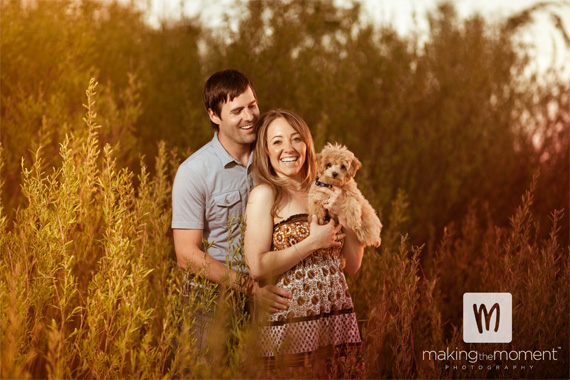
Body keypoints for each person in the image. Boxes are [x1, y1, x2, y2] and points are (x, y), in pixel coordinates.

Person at [171, 70, 292, 350]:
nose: (249, 116)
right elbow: (185, 254)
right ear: (214, 115)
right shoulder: (194, 172)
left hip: (270, 301)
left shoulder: (274, 158)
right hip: (210, 305)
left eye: (252, 105)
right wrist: (250, 289)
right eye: (237, 110)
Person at [244, 109, 364, 372]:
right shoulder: (265, 194)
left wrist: (348, 212)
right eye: (277, 141)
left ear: (308, 144)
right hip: (292, 325)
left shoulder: (326, 188)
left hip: (336, 319)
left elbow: (352, 265)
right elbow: (257, 266)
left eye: (296, 138)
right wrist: (312, 242)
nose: (288, 148)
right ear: (265, 150)